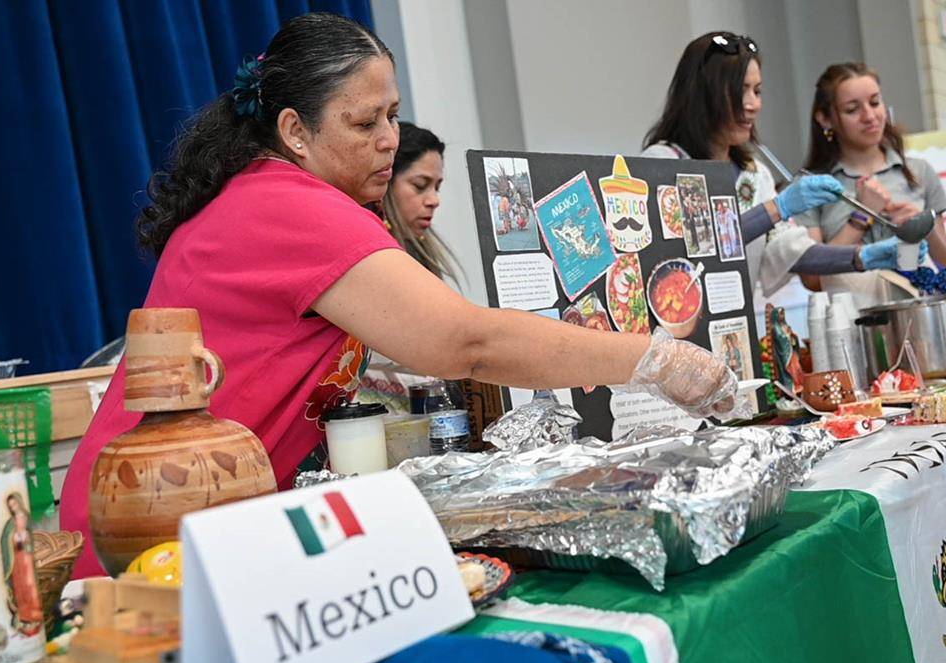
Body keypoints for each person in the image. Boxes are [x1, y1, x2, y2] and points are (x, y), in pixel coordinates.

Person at [61, 13, 742, 577]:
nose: (390, 141)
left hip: (169, 518)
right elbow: (463, 341)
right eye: (365, 125)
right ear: (296, 131)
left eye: (394, 115)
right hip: (147, 537)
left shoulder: (268, 193)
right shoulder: (287, 205)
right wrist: (649, 359)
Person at [641, 32, 914, 299]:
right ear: (703, 94)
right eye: (740, 91)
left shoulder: (754, 174)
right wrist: (775, 209)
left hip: (737, 332)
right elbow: (692, 248)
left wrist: (864, 256)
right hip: (676, 332)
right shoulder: (663, 162)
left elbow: (794, 252)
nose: (753, 105)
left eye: (757, 91)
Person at [797, 62, 946, 309]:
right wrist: (860, 216)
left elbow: (943, 260)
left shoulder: (919, 171)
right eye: (852, 109)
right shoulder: (811, 186)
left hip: (918, 317)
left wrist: (922, 224)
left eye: (875, 102)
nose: (869, 116)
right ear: (825, 119)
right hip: (850, 323)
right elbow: (812, 279)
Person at [379, 122, 458, 281]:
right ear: (385, 182)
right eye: (420, 186)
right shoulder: (371, 258)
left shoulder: (421, 254)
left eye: (437, 188)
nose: (434, 201)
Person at [2, 493, 43, 635]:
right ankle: (25, 614)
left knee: (30, 584)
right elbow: (7, 539)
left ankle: (34, 612)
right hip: (17, 558)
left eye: (14, 504)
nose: (13, 507)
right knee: (20, 586)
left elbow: (30, 534)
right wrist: (15, 538)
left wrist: (24, 538)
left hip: (26, 556)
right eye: (10, 506)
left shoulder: (25, 517)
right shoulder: (11, 523)